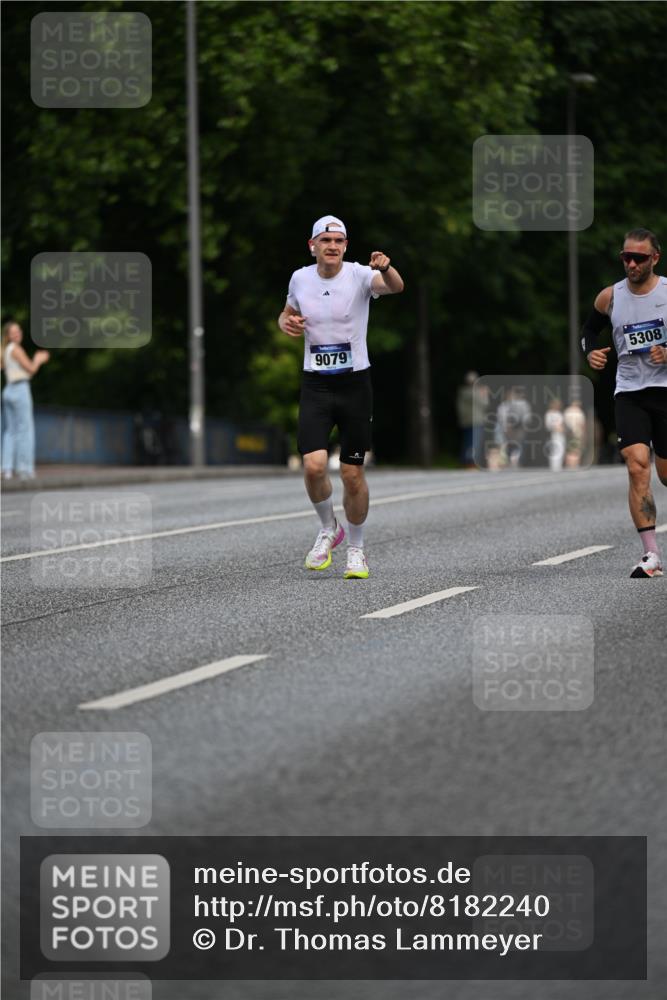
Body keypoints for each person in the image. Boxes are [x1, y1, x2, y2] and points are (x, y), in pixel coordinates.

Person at [278, 215, 404, 579]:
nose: (332, 245)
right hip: (315, 384)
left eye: (338, 240)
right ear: (312, 245)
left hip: (354, 384)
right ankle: (327, 527)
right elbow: (286, 314)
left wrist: (388, 267)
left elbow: (396, 287)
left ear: (346, 246)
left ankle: (357, 549)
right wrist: (285, 323)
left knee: (352, 474)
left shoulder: (361, 275)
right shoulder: (300, 278)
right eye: (325, 240)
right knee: (314, 465)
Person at [582, 228, 667, 577]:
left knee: (665, 474)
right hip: (629, 392)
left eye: (639, 258)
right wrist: (590, 355)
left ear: (655, 258)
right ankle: (651, 556)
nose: (631, 264)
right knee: (636, 465)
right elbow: (588, 332)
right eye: (626, 257)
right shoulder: (610, 297)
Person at [1, 321, 49, 480]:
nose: (17, 334)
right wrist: (38, 359)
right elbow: (31, 369)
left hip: (8, 390)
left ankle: (6, 468)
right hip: (20, 389)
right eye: (13, 332)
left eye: (18, 331)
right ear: (8, 336)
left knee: (10, 431)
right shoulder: (16, 348)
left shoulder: (5, 350)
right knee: (25, 430)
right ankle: (25, 468)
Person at [456, 371, 487, 468]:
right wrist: (484, 394)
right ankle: (471, 462)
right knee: (474, 442)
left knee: (467, 441)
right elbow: (485, 404)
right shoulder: (477, 393)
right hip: (477, 420)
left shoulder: (462, 392)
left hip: (466, 421)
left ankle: (465, 461)